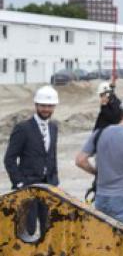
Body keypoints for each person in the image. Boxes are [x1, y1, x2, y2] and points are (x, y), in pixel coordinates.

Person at [75, 93, 123, 231]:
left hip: (101, 201)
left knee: (105, 241)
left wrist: (98, 172)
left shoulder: (100, 133)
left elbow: (80, 160)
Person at [3, 85, 61, 234]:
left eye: (50, 106)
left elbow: (51, 156)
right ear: (36, 105)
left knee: (48, 228)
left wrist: (55, 181)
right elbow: (9, 159)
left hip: (48, 187)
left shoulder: (53, 128)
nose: (46, 109)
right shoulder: (22, 128)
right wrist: (19, 183)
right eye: (43, 105)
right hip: (27, 186)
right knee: (27, 231)